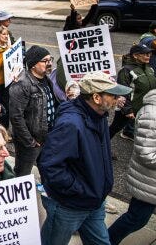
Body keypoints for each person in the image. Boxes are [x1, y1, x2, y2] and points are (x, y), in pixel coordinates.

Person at [38, 71, 131, 245]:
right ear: (96, 98)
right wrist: (79, 189)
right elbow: (50, 165)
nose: (117, 99)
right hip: (70, 207)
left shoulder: (100, 117)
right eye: (113, 95)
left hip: (94, 202)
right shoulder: (71, 124)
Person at [108, 89, 156, 244]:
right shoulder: (151, 114)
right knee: (136, 218)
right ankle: (106, 241)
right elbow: (147, 154)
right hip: (149, 181)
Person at [9, 45, 57, 177]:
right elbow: (16, 117)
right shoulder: (22, 84)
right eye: (45, 61)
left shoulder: (47, 80)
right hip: (30, 142)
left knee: (48, 170)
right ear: (33, 65)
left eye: (50, 59)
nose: (50, 63)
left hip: (46, 137)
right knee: (22, 174)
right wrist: (30, 141)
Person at [109, 43, 156, 141]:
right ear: (135, 56)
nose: (149, 56)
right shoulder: (126, 70)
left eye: (149, 53)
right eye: (145, 54)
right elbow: (122, 91)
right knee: (114, 128)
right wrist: (127, 110)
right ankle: (99, 147)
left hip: (143, 108)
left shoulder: (149, 69)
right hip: (129, 109)